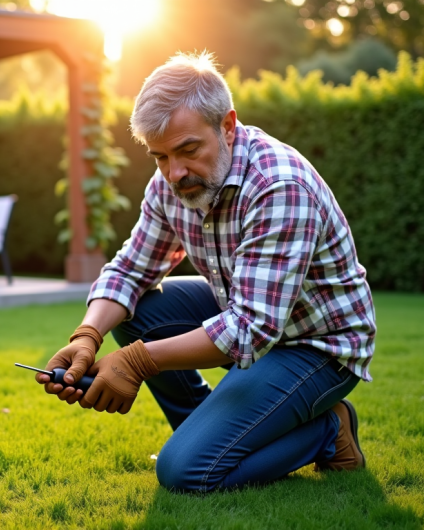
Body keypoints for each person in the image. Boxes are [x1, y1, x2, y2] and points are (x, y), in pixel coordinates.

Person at [36, 52, 375, 492]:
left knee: (185, 472)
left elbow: (249, 329)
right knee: (137, 311)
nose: (174, 173)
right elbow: (129, 270)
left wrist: (137, 361)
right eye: (159, 157)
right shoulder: (170, 184)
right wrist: (87, 337)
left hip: (317, 345)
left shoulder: (279, 186)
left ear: (227, 126)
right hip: (248, 315)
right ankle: (207, 433)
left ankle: (329, 431)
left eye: (188, 150)